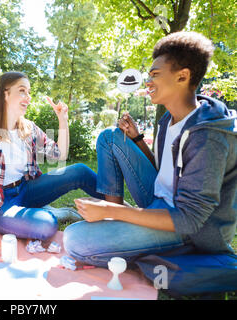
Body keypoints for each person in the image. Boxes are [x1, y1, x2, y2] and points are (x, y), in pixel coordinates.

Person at [63, 31, 236, 268]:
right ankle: (114, 217)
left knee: (75, 241)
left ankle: (166, 251)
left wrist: (114, 211)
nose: (148, 82)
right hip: (157, 198)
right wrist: (137, 140)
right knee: (110, 137)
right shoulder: (168, 119)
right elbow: (165, 170)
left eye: (155, 75)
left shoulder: (208, 136)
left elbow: (190, 219)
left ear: (182, 76)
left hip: (185, 230)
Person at [0, 71, 104, 241]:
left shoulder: (28, 128)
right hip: (0, 204)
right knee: (45, 224)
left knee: (80, 171)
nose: (28, 97)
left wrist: (62, 119)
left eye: (29, 92)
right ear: (5, 94)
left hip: (27, 189)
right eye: (22, 91)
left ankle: (118, 208)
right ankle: (48, 213)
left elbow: (60, 154)